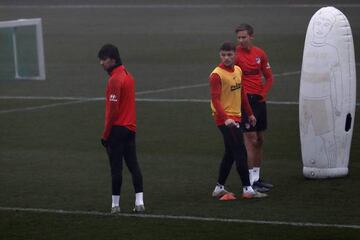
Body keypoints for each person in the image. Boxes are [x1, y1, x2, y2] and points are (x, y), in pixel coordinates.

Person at [210, 41, 267, 199]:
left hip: (237, 116)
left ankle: (219, 188)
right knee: (240, 151)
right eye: (223, 55)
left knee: (230, 153)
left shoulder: (238, 70)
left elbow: (241, 95)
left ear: (235, 55)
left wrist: (250, 114)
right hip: (224, 119)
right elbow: (215, 100)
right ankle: (247, 189)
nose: (226, 58)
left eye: (229, 55)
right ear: (219, 55)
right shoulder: (216, 75)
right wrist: (226, 118)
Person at [98, 44, 145, 214]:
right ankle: (139, 202)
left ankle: (115, 205)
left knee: (116, 169)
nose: (101, 63)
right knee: (133, 166)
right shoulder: (128, 76)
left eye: (103, 59)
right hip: (130, 128)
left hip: (117, 130)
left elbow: (112, 111)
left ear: (112, 59)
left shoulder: (114, 80)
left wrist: (105, 135)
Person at [234, 24, 274, 193]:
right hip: (244, 101)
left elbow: (269, 77)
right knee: (250, 140)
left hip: (259, 101)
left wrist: (263, 94)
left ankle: (257, 178)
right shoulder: (235, 55)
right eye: (239, 38)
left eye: (244, 37)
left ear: (251, 36)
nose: (241, 40)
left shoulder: (260, 53)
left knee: (259, 140)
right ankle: (249, 182)